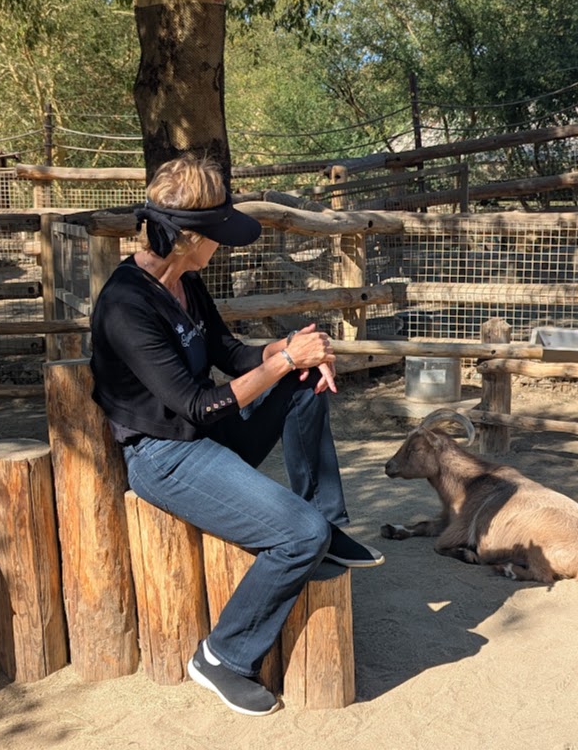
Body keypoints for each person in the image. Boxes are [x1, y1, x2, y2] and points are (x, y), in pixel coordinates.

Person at [90, 154, 384, 717]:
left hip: (208, 433)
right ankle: (222, 657)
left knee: (303, 384)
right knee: (296, 536)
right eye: (216, 235)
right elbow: (196, 405)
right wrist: (279, 364)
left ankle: (328, 523)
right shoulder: (125, 306)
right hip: (165, 456)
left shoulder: (186, 281)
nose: (221, 245)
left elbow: (226, 352)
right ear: (186, 237)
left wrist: (286, 352)